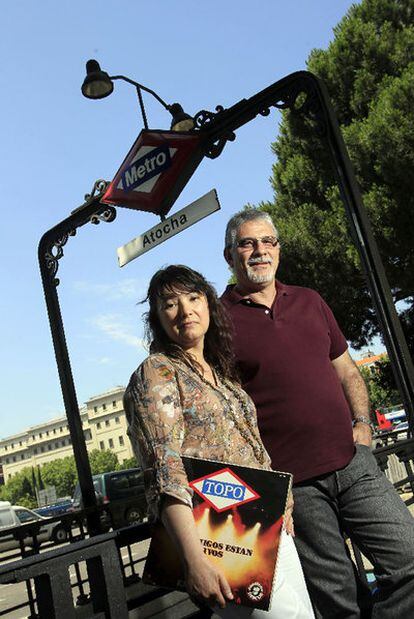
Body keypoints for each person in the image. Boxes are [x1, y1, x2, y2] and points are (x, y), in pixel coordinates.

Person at [221, 208, 414, 618]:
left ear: (278, 249)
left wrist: (363, 425)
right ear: (229, 255)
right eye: (247, 243)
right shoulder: (219, 322)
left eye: (268, 241)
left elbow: (346, 370)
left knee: (410, 560)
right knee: (339, 601)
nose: (260, 251)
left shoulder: (310, 300)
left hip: (353, 463)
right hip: (295, 488)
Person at [124, 265, 314, 618]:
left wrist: (282, 502)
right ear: (157, 317)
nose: (185, 311)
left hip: (265, 525)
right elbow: (166, 472)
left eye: (194, 298)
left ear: (209, 304)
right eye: (170, 303)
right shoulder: (158, 371)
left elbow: (252, 447)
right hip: (221, 537)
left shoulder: (221, 373)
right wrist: (193, 560)